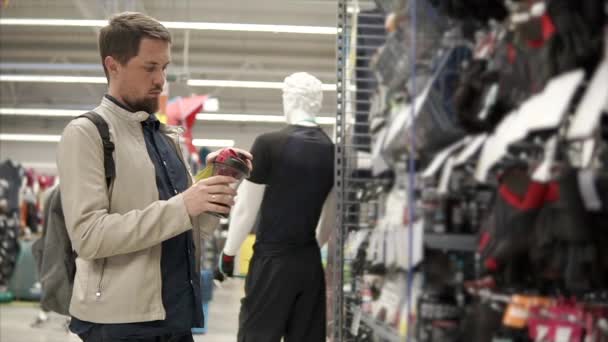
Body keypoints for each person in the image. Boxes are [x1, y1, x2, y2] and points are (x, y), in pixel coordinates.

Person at [57, 12, 251, 342]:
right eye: (149, 67)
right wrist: (183, 205)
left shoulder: (166, 138)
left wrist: (214, 192)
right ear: (113, 65)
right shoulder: (87, 134)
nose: (161, 79)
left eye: (164, 67)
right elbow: (88, 237)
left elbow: (188, 225)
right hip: (120, 323)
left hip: (175, 315)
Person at [217, 72, 336, 342]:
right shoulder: (333, 151)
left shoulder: (269, 144)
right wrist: (308, 249)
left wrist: (228, 254)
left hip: (272, 261)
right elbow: (331, 215)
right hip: (309, 263)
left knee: (257, 335)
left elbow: (246, 208)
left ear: (289, 99)